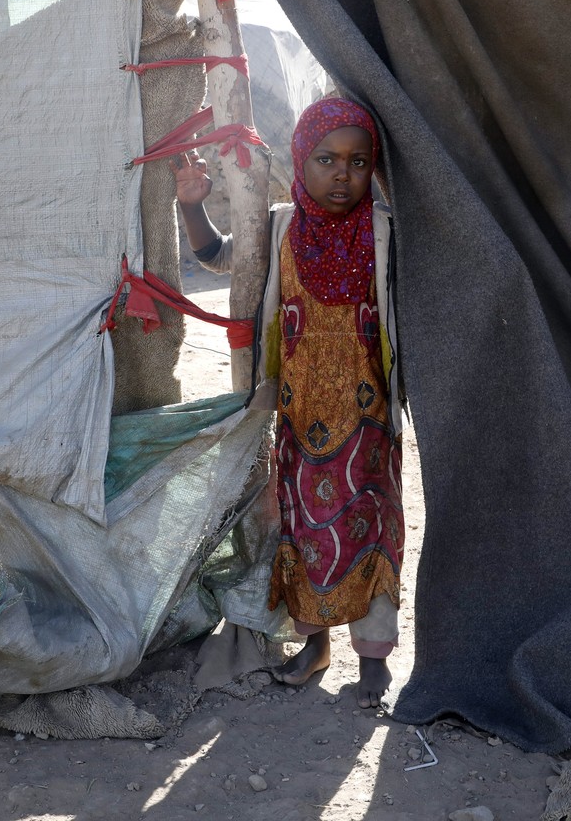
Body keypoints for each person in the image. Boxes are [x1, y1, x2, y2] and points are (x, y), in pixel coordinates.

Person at [175, 97, 405, 709]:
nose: (342, 174)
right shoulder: (280, 227)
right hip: (300, 421)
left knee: (372, 532)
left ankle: (374, 661)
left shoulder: (384, 233)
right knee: (305, 531)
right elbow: (223, 258)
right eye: (327, 159)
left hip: (370, 425)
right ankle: (314, 644)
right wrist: (192, 205)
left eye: (359, 162)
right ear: (301, 161)